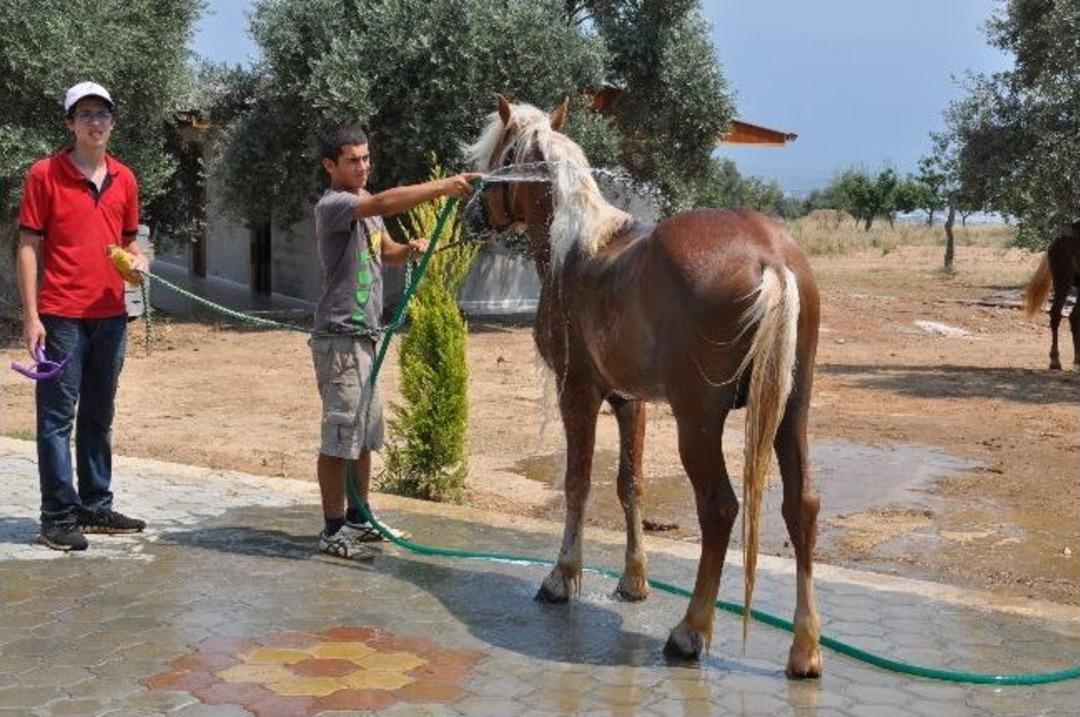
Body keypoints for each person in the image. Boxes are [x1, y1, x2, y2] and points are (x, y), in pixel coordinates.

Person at [311, 124, 478, 559]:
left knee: (363, 437)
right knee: (339, 438)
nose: (363, 166)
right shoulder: (336, 205)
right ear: (331, 166)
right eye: (353, 160)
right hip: (340, 340)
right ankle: (332, 531)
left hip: (365, 339)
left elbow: (384, 251)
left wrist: (408, 250)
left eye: (367, 157)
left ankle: (358, 519)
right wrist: (442, 187)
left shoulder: (366, 208)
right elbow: (382, 202)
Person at [16, 81, 149, 551]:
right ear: (69, 123)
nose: (96, 122)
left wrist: (139, 264)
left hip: (110, 315)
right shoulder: (44, 175)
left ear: (112, 122)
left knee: (99, 413)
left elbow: (130, 240)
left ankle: (95, 506)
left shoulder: (125, 179)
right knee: (56, 418)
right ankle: (56, 516)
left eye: (103, 114)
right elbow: (29, 248)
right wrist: (32, 317)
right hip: (61, 316)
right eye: (86, 114)